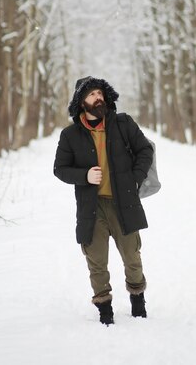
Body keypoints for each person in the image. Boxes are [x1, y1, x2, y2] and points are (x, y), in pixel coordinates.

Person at [54, 76, 153, 325]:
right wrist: (84, 175)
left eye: (100, 93)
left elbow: (145, 150)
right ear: (81, 103)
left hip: (124, 203)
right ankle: (105, 311)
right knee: (97, 261)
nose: (98, 98)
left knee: (132, 256)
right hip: (92, 208)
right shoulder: (70, 135)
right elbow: (60, 169)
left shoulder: (123, 124)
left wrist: (136, 178)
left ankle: (138, 302)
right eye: (91, 95)